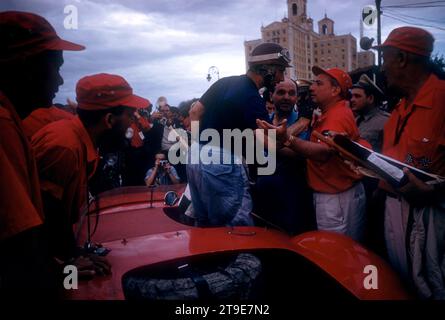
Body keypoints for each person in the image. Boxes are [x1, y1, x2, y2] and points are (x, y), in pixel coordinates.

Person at [0, 11, 84, 294]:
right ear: (27, 67)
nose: (60, 82)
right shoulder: (4, 124)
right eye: (55, 68)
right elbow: (19, 244)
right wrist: (64, 274)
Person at [31, 73, 149, 274]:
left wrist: (74, 253)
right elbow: (37, 224)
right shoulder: (64, 147)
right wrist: (63, 268)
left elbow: (58, 219)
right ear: (109, 120)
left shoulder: (78, 140)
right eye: (130, 115)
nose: (132, 123)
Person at [374, 26, 445, 299]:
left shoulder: (441, 99)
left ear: (402, 58)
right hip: (395, 213)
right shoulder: (399, 109)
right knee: (402, 286)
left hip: (432, 221)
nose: (383, 68)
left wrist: (435, 192)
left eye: (385, 58)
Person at [258, 67, 368, 242]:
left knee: (337, 253)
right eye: (280, 92)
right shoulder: (326, 115)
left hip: (334, 198)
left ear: (335, 90)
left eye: (318, 83)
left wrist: (285, 139)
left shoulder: (337, 116)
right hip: (325, 196)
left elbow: (323, 153)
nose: (311, 88)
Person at [187, 42, 290, 227]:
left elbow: (194, 112)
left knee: (204, 225)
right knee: (236, 229)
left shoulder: (224, 82)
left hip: (196, 156)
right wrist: (283, 139)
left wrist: (198, 147)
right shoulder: (252, 98)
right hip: (224, 162)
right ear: (267, 69)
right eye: (281, 70)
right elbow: (267, 143)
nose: (281, 78)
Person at [255, 78, 315, 234]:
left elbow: (300, 154)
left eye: (291, 93)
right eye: (281, 92)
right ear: (271, 96)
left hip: (294, 198)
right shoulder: (263, 121)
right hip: (265, 197)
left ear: (296, 98)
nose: (286, 97)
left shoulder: (306, 124)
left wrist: (266, 141)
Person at [350, 74, 389, 153]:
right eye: (351, 96)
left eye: (357, 96)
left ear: (370, 98)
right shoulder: (355, 120)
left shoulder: (385, 121)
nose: (352, 100)